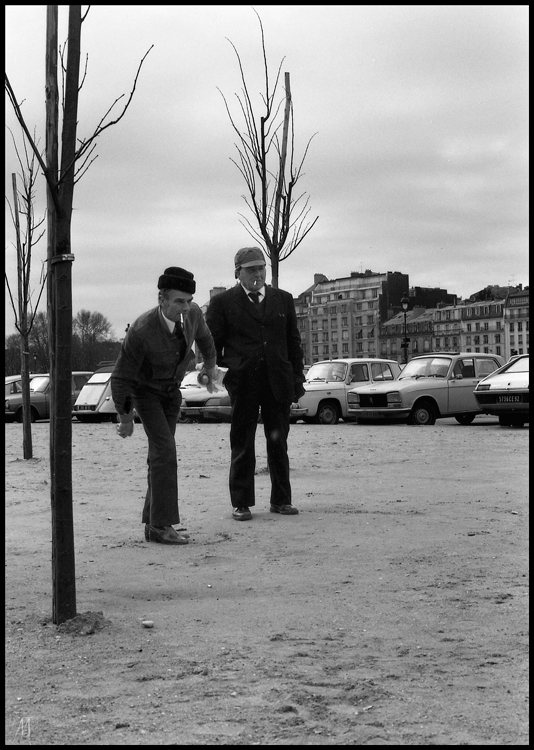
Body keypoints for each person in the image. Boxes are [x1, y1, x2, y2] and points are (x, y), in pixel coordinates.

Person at [111, 266, 218, 545]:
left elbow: (206, 341)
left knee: (160, 456)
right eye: (179, 302)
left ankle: (153, 524)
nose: (186, 307)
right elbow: (121, 378)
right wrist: (125, 417)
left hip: (172, 393)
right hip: (145, 393)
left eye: (189, 301)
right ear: (162, 300)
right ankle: (161, 525)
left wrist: (210, 367)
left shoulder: (193, 315)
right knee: (165, 452)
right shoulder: (142, 330)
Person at [206, 246, 306, 521]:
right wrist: (226, 376)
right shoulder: (222, 303)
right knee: (242, 442)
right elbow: (212, 347)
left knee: (278, 443)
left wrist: (298, 380)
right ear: (237, 272)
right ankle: (241, 503)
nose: (258, 274)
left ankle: (281, 500)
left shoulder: (283, 300)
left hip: (278, 383)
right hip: (243, 384)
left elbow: (293, 344)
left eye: (261, 268)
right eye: (251, 270)